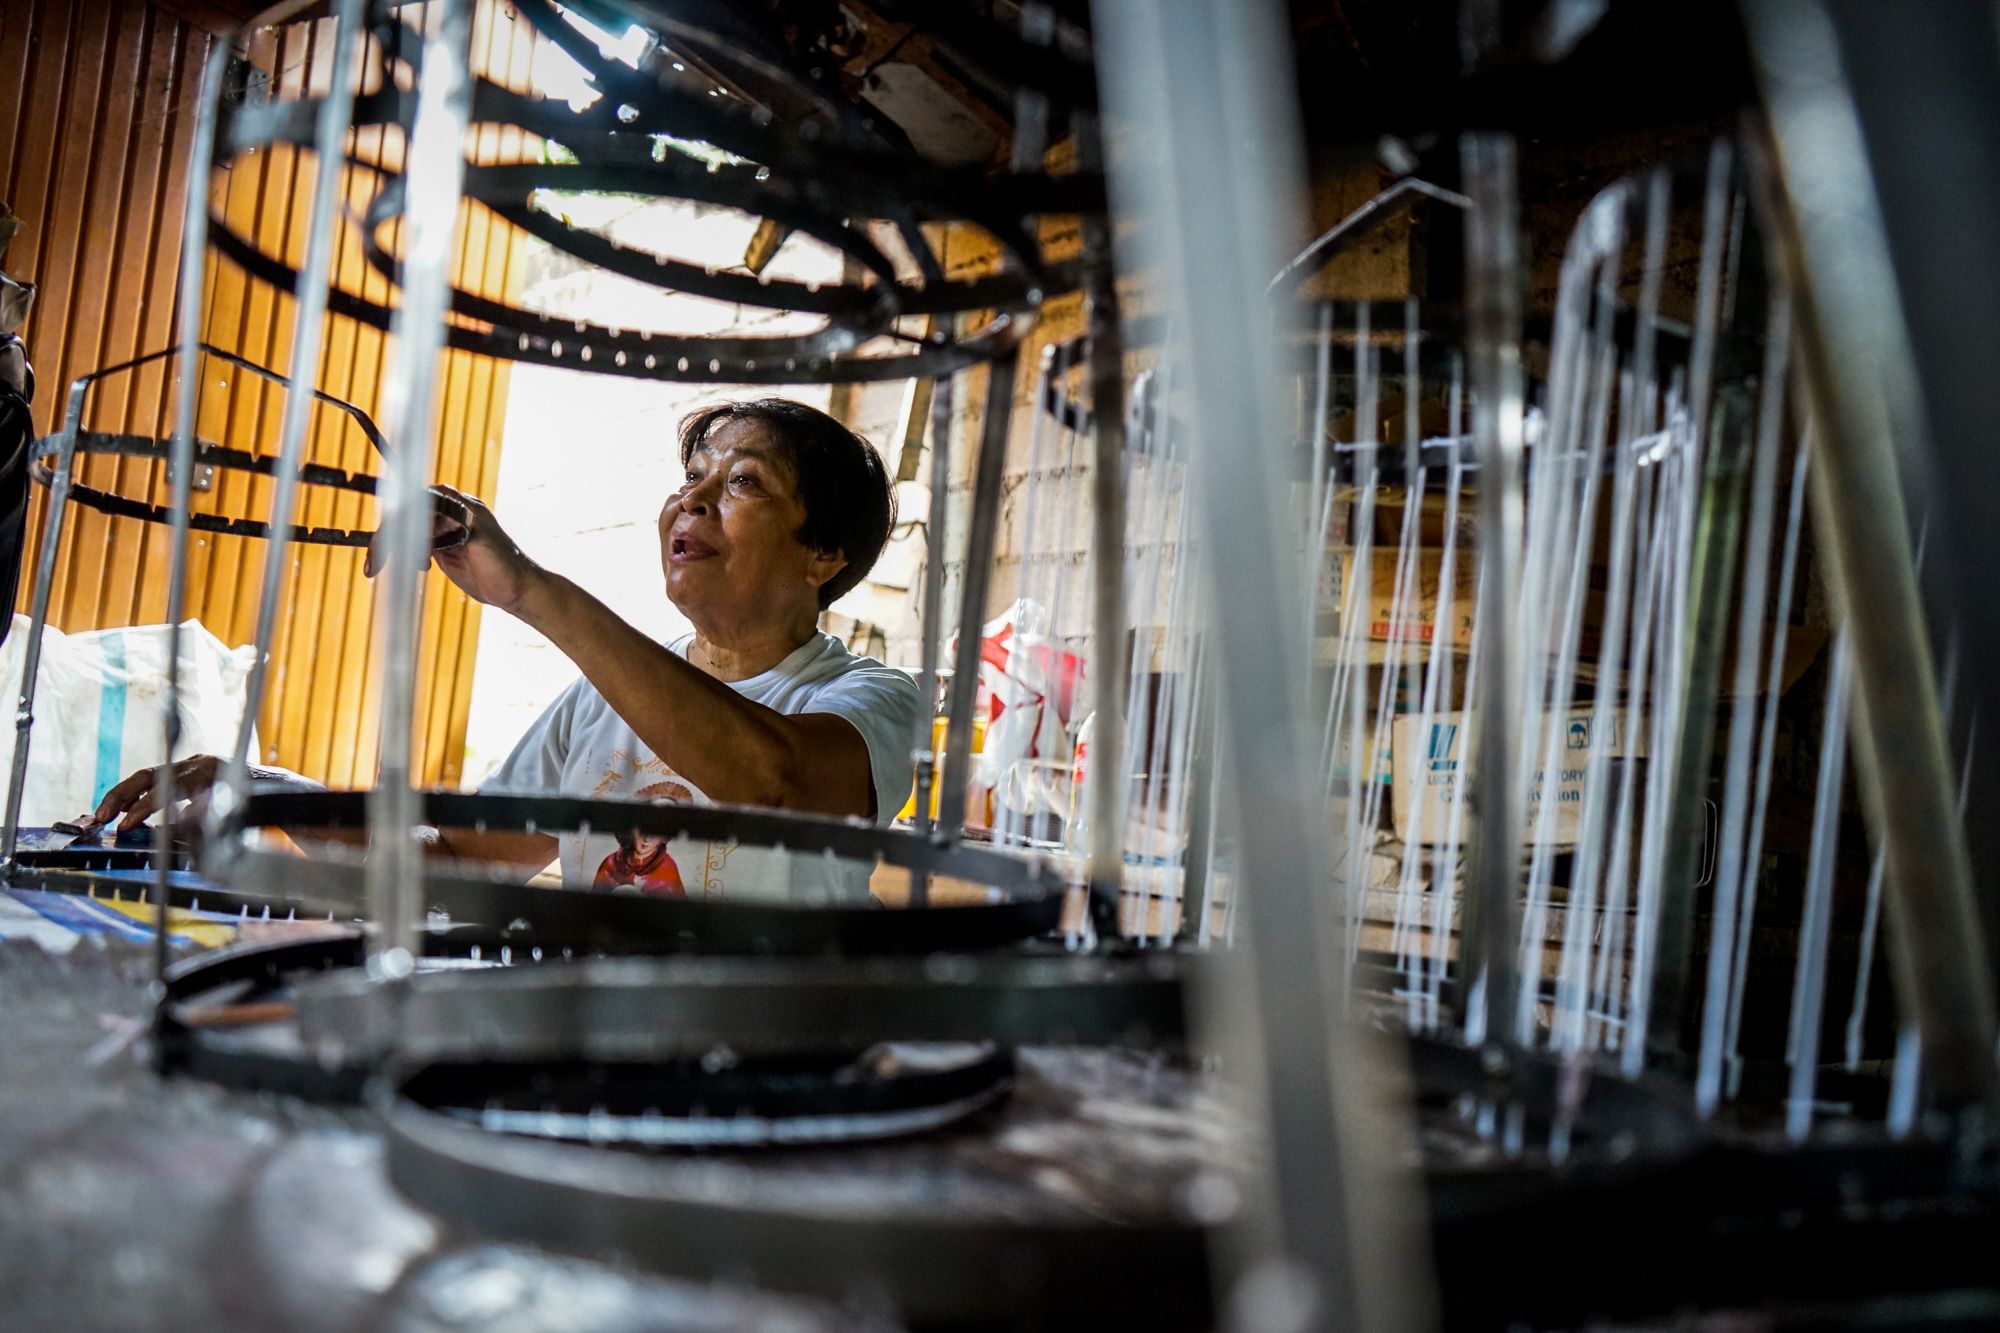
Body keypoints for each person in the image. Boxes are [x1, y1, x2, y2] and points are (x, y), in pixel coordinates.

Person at [84, 398, 919, 904]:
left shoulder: (867, 698)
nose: (690, 500)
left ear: (824, 555)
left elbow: (774, 783)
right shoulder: (603, 699)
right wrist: (265, 793)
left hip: (776, 1080)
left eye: (741, 482)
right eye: (691, 476)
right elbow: (453, 858)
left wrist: (531, 590)